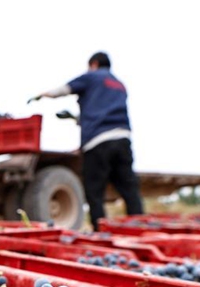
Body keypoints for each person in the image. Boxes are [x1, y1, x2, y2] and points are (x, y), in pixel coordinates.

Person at [29, 52, 144, 230]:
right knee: (130, 190)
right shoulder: (119, 85)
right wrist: (76, 119)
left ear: (94, 64)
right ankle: (140, 230)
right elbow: (101, 112)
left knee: (94, 192)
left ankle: (101, 233)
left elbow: (65, 89)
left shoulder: (92, 77)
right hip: (123, 139)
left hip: (98, 142)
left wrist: (44, 95)